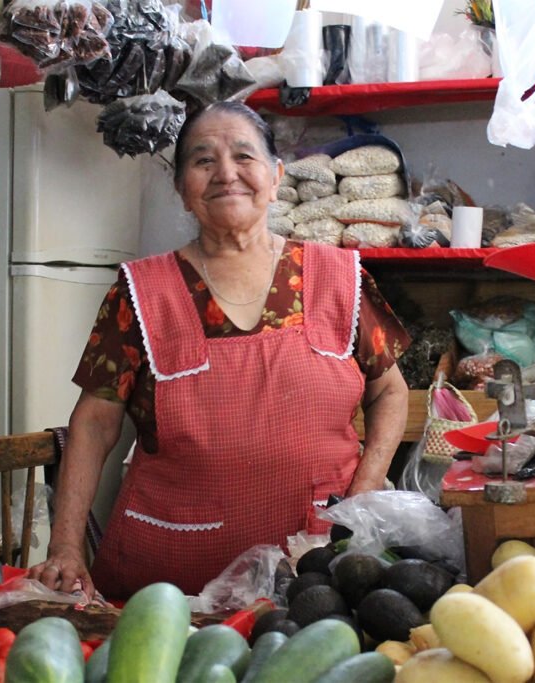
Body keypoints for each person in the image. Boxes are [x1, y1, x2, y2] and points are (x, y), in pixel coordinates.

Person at [29, 101, 411, 600]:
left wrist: (364, 493)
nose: (225, 173)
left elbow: (389, 393)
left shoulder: (338, 276)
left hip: (314, 569)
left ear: (275, 178)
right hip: (169, 582)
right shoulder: (142, 292)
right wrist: (64, 546)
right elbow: (95, 421)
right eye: (203, 160)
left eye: (244, 157)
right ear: (182, 189)